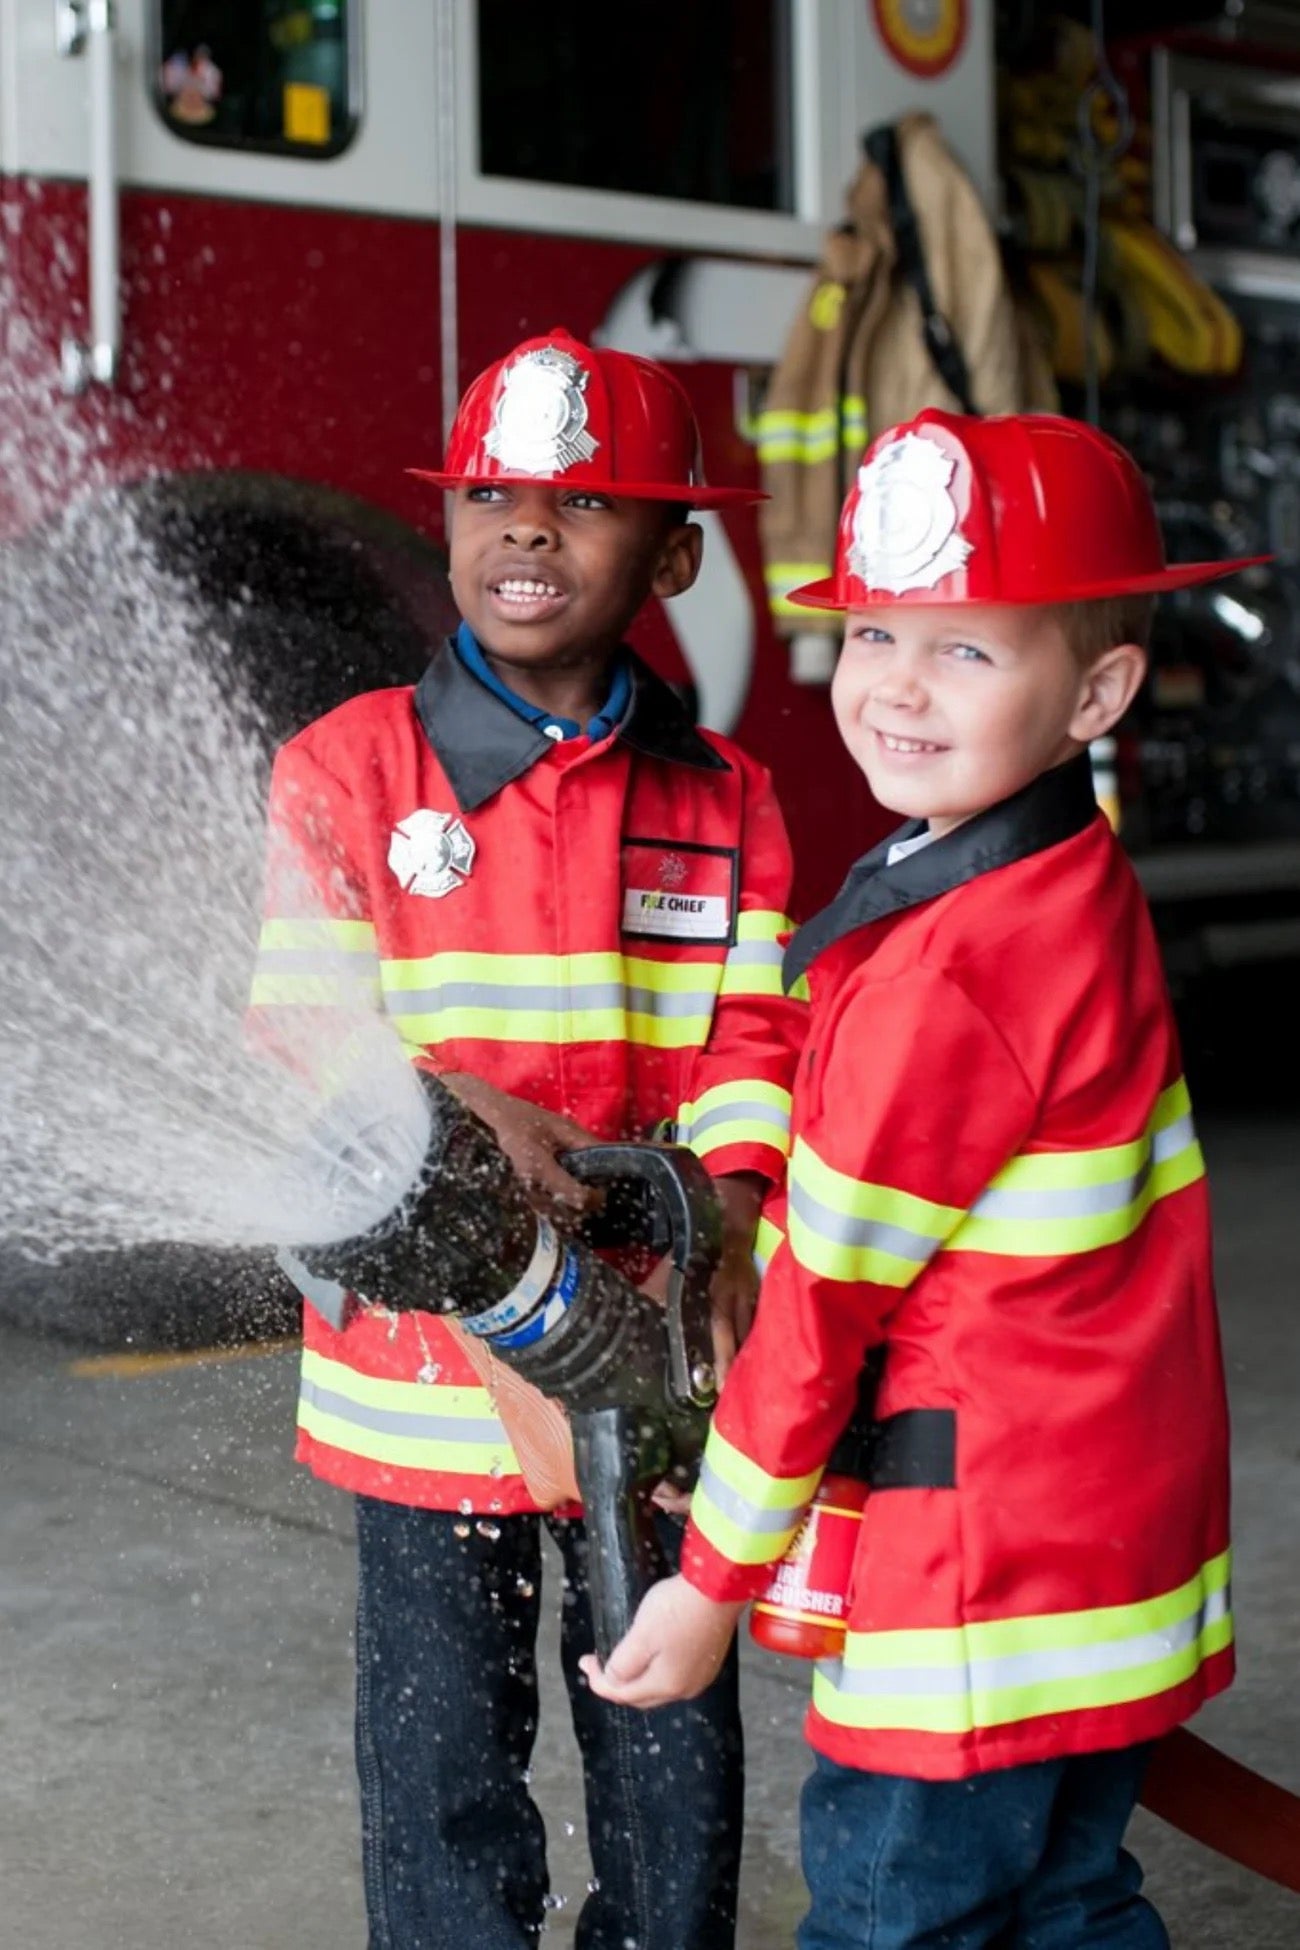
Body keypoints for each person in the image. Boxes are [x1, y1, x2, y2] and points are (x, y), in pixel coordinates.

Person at [584, 408, 1250, 1949]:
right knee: (1070, 1899)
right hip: (1105, 1550)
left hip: (978, 1590)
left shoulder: (952, 970)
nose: (892, 681)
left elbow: (825, 1305)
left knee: (900, 1918)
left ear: (1098, 690)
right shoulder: (1062, 880)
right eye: (876, 627)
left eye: (964, 650)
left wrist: (709, 1580)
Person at [249, 327, 806, 1950]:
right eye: (491, 492)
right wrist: (443, 1107)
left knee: (669, 1737)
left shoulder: (727, 797)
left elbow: (753, 1044)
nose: (526, 529)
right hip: (421, 1398)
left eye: (584, 501)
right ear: (448, 524)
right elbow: (295, 1035)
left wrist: (729, 1226)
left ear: (679, 551)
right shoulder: (344, 772)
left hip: (645, 1373)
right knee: (440, 1773)